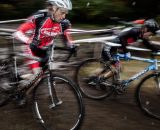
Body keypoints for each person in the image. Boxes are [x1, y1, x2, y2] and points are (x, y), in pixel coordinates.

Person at [13, 0, 73, 78]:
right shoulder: (40, 17)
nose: (64, 16)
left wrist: (71, 46)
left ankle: (20, 78)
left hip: (45, 51)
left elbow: (67, 38)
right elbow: (18, 32)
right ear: (54, 8)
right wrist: (29, 41)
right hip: (32, 49)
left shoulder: (64, 23)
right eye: (62, 12)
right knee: (37, 75)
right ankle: (19, 82)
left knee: (41, 75)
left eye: (66, 13)